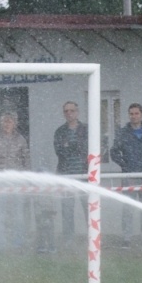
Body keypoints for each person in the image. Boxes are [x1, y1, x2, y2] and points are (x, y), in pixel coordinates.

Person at [110, 103, 142, 248]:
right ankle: (127, 239)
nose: (134, 116)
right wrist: (125, 165)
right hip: (129, 175)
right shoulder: (123, 132)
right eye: (131, 113)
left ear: (141, 114)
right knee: (128, 208)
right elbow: (114, 152)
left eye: (136, 113)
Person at [0, 111, 31, 249]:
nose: (7, 124)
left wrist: (23, 177)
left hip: (17, 184)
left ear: (15, 123)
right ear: (1, 122)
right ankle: (0, 244)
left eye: (10, 121)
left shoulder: (21, 140)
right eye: (5, 121)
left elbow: (26, 160)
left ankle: (18, 243)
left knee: (18, 214)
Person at [54, 101, 89, 241]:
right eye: (66, 111)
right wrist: (73, 147)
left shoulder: (86, 129)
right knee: (67, 210)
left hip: (85, 176)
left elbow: (88, 149)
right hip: (66, 175)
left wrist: (71, 146)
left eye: (72, 111)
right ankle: (69, 239)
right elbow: (59, 152)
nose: (69, 113)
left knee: (89, 208)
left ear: (77, 112)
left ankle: (93, 237)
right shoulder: (60, 131)